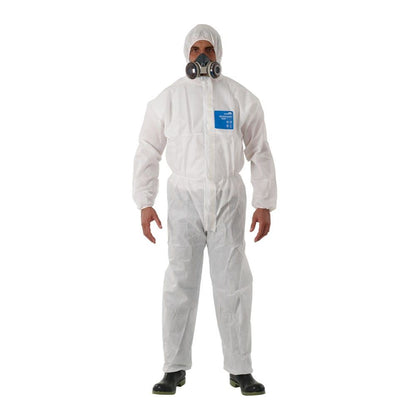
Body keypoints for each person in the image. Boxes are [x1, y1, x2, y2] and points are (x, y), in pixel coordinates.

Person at [132, 24, 277, 396]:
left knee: (234, 283)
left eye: (208, 50)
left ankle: (240, 368)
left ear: (218, 54)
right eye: (195, 49)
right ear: (186, 54)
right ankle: (173, 367)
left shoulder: (240, 98)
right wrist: (145, 202)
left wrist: (264, 203)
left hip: (229, 198)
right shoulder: (168, 99)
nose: (201, 56)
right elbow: (148, 150)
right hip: (184, 198)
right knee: (180, 282)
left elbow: (259, 151)